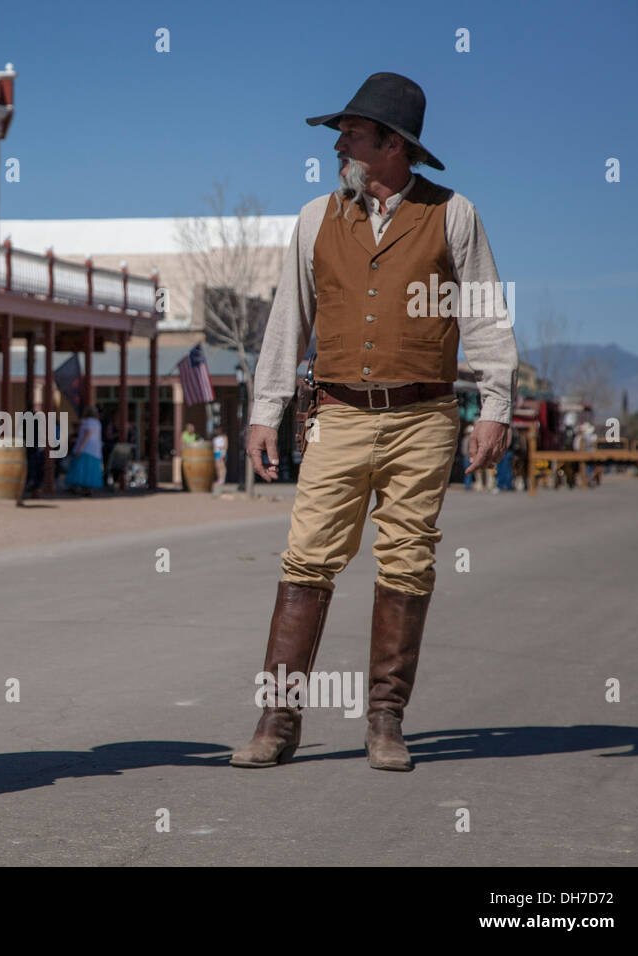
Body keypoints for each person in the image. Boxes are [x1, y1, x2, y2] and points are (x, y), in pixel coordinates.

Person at [230, 73, 517, 772]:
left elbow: (484, 315)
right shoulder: (313, 219)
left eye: (353, 133)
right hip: (336, 414)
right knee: (307, 558)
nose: (339, 143)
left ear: (394, 145)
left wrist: (496, 405)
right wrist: (265, 411)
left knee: (408, 560)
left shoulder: (454, 216)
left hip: (425, 416)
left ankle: (385, 721)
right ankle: (277, 720)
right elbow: (287, 322)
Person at [66, 406, 104, 494]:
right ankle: (88, 488)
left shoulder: (87, 422)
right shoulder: (97, 423)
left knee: (81, 468)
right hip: (95, 450)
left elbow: (87, 434)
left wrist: (80, 447)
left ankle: (78, 487)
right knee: (92, 469)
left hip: (86, 448)